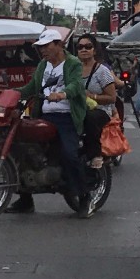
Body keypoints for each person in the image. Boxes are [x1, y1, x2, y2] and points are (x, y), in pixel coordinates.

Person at [19, 29, 91, 203]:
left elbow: (76, 85)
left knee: (69, 155)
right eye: (40, 47)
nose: (42, 50)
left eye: (46, 46)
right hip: (44, 116)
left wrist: (62, 94)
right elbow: (32, 88)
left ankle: (84, 196)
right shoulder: (43, 65)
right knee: (24, 150)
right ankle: (25, 199)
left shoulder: (73, 63)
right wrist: (12, 93)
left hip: (66, 117)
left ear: (59, 45)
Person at [73, 32, 119, 169]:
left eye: (88, 46)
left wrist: (92, 96)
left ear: (94, 50)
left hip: (100, 111)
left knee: (89, 117)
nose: (84, 50)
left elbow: (112, 97)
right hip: (77, 109)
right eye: (80, 47)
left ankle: (95, 154)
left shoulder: (102, 71)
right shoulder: (72, 69)